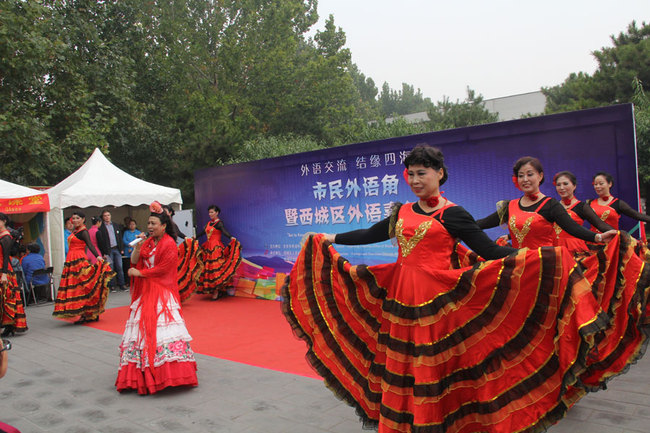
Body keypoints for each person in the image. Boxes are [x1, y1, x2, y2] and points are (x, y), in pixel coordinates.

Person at [282, 145, 646, 433]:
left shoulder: (454, 214)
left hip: (439, 300)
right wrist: (330, 236)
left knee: (437, 365)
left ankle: (442, 420)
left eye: (421, 174)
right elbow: (371, 234)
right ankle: (406, 420)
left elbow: (488, 251)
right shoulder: (402, 211)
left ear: (439, 173)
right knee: (405, 362)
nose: (414, 180)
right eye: (410, 175)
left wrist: (539, 259)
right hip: (401, 297)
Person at [115, 201, 198, 395]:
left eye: (153, 223)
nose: (150, 227)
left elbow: (164, 269)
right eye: (149, 223)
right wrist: (137, 248)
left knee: (162, 331)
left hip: (161, 293)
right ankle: (142, 370)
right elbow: (136, 261)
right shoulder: (149, 242)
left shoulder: (169, 243)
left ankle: (167, 373)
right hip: (146, 293)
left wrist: (139, 274)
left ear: (163, 226)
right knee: (141, 331)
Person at [52, 211, 114, 324]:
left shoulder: (83, 231)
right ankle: (85, 312)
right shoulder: (76, 231)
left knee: (83, 286)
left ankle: (88, 312)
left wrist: (98, 257)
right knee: (78, 287)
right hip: (72, 260)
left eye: (77, 218)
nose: (75, 220)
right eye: (73, 218)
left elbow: (90, 244)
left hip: (78, 260)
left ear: (83, 219)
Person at [552, 171, 615, 254]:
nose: (561, 187)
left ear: (574, 186)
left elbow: (600, 224)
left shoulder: (582, 206)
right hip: (554, 248)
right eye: (558, 185)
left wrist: (620, 235)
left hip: (574, 249)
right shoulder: (553, 206)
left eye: (565, 184)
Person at [196, 205, 241, 300]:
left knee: (216, 268)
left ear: (217, 213)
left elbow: (224, 231)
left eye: (212, 212)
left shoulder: (219, 223)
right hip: (208, 247)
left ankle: (216, 291)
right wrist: (194, 238)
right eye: (209, 212)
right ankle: (213, 290)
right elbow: (202, 232)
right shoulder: (208, 223)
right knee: (208, 269)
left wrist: (230, 237)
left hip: (216, 248)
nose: (210, 214)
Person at [161, 205, 203, 302]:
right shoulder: (163, 223)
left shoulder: (171, 224)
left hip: (170, 250)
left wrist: (188, 239)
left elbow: (179, 233)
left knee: (172, 273)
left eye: (165, 211)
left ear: (170, 213)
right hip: (163, 250)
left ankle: (171, 295)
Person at [0, 213, 27, 337]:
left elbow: (6, 257)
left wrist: (4, 274)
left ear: (4, 221)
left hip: (3, 270)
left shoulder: (6, 237)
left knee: (7, 298)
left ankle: (9, 325)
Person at [98, 209, 126, 292]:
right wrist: (103, 252)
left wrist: (121, 249)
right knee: (111, 267)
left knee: (120, 267)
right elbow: (101, 241)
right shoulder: (101, 227)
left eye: (108, 215)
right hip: (108, 250)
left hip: (116, 248)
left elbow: (119, 237)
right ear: (103, 217)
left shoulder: (115, 225)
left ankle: (122, 284)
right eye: (105, 216)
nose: (107, 217)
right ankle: (112, 285)